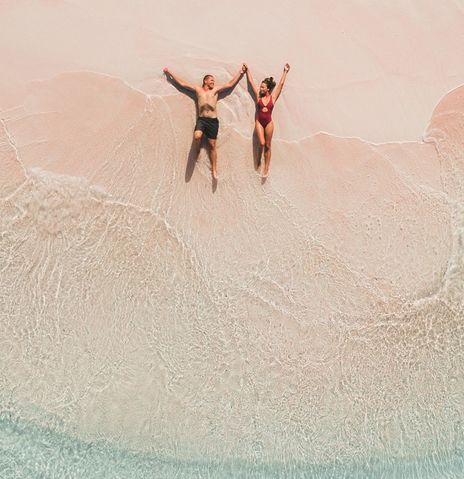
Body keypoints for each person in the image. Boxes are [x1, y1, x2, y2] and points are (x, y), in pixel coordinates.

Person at [163, 65, 247, 180]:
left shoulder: (216, 90)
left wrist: (241, 72)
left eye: (214, 81)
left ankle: (214, 169)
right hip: (202, 119)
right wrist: (170, 73)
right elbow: (183, 84)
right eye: (211, 80)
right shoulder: (198, 89)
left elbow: (230, 84)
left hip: (213, 121)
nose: (213, 82)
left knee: (212, 146)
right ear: (205, 81)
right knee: (197, 136)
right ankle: (197, 149)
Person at [245, 63, 290, 177]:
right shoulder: (258, 97)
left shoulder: (273, 98)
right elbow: (251, 83)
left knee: (268, 145)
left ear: (268, 89)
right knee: (261, 143)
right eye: (260, 86)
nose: (260, 88)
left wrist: (285, 71)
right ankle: (258, 160)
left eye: (263, 87)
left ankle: (266, 168)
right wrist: (247, 70)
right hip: (259, 122)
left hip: (269, 122)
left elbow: (281, 85)